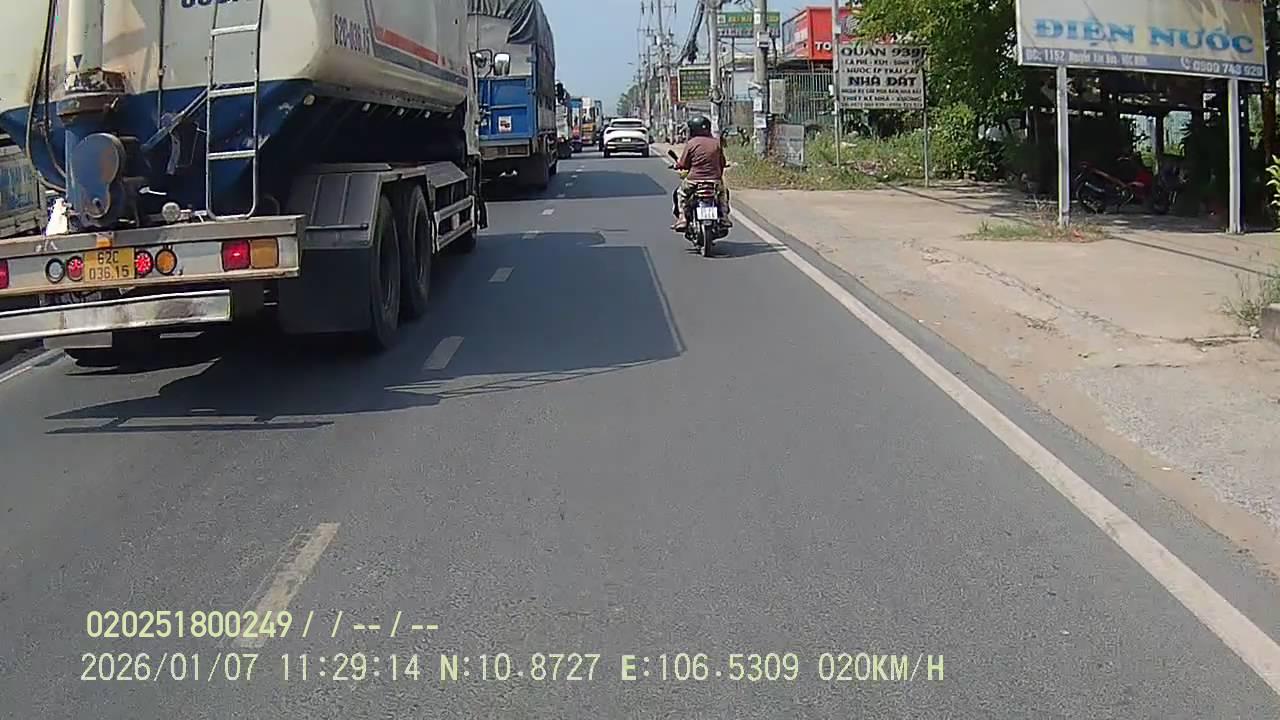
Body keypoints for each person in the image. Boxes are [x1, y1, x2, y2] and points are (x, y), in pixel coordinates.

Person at [671, 116, 730, 231]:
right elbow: (722, 162)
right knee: (723, 194)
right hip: (714, 181)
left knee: (681, 194)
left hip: (694, 180)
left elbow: (684, 163)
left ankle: (682, 218)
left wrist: (678, 165)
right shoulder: (716, 143)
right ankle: (724, 217)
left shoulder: (691, 143)